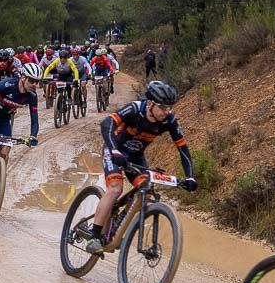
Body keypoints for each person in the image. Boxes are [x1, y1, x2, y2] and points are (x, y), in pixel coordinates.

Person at [79, 81, 196, 254]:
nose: (167, 111)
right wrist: (114, 150)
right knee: (115, 188)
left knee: (146, 190)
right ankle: (94, 235)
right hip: (115, 150)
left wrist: (190, 176)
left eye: (169, 107)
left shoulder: (169, 121)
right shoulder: (135, 108)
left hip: (135, 157)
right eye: (163, 107)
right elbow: (106, 124)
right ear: (150, 103)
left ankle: (117, 227)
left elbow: (183, 149)